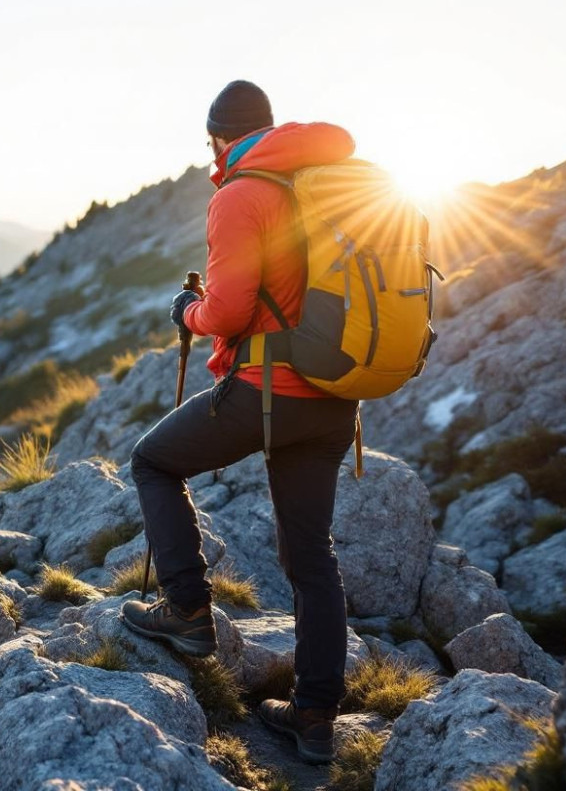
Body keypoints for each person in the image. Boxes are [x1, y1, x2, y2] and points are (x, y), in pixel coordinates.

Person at [119, 80, 360, 764]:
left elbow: (224, 312)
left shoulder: (240, 194)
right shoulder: (322, 182)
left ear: (221, 138)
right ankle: (314, 717)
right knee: (312, 557)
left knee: (154, 461)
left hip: (268, 391)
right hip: (335, 395)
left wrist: (187, 313)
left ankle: (189, 611)